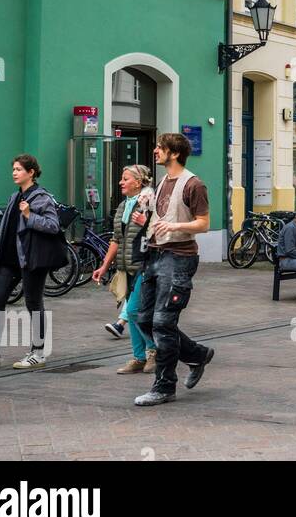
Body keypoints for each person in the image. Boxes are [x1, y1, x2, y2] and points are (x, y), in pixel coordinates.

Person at [133, 134, 215, 407]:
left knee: (162, 323)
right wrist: (147, 221)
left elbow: (203, 224)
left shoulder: (194, 184)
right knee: (144, 319)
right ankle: (197, 354)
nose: (155, 151)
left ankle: (165, 386)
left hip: (179, 258)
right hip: (155, 254)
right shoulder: (161, 183)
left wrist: (176, 227)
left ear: (175, 153)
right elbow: (164, 218)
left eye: (160, 148)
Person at [0, 155, 65, 372]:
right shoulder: (13, 197)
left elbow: (53, 226)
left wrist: (29, 215)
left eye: (19, 169)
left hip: (32, 259)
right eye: (14, 169)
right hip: (9, 259)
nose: (14, 173)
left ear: (31, 172)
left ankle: (38, 352)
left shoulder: (42, 198)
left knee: (33, 303)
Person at [91, 165, 158, 374]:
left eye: (125, 178)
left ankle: (154, 351)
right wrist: (104, 266)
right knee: (133, 311)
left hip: (145, 265)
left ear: (138, 183)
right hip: (126, 267)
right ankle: (138, 358)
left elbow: (159, 232)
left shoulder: (149, 203)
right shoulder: (123, 206)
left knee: (134, 310)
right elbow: (116, 240)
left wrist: (146, 222)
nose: (121, 182)